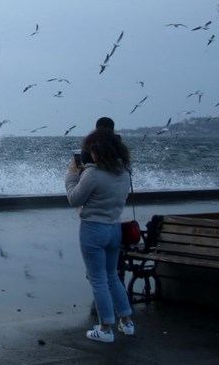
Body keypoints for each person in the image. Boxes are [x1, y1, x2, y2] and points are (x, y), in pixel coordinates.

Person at [65, 129, 135, 343]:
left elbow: (74, 199)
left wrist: (71, 175)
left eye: (93, 151)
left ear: (99, 153)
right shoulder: (124, 172)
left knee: (98, 280)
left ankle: (105, 328)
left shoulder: (92, 174)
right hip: (114, 228)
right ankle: (127, 321)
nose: (90, 155)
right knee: (112, 276)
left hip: (94, 229)